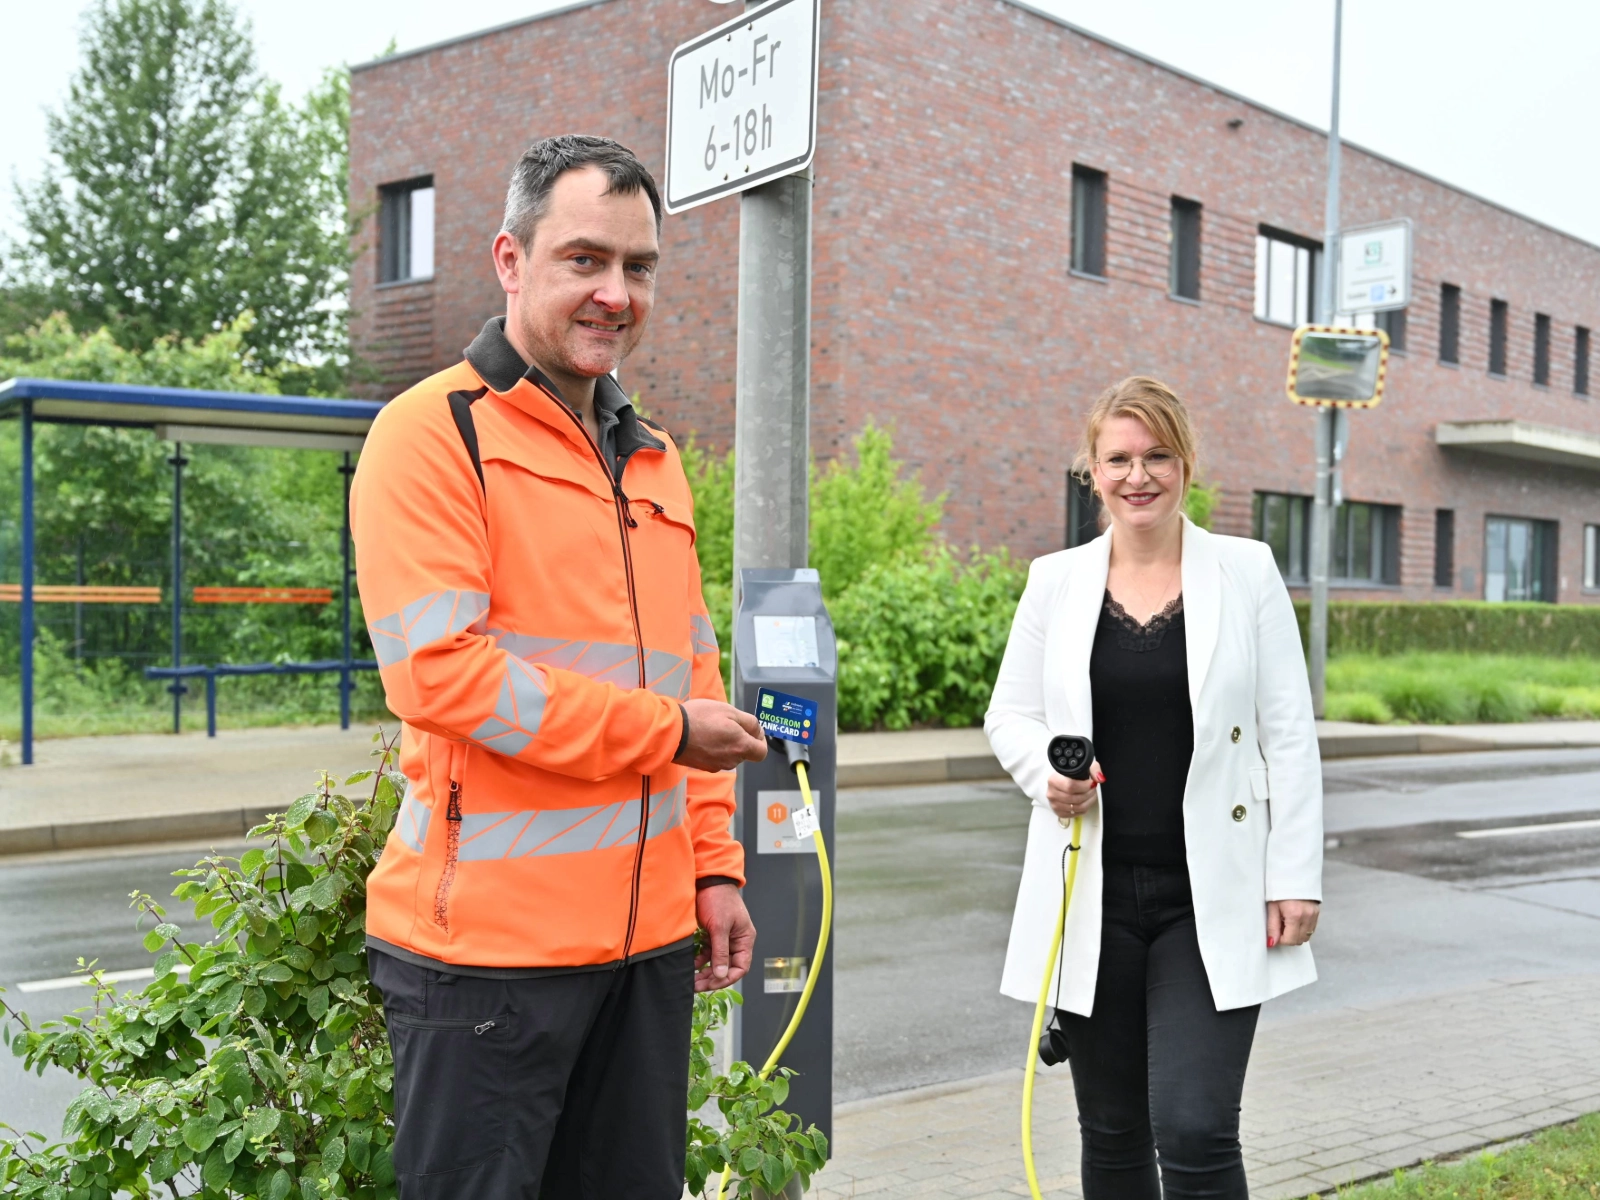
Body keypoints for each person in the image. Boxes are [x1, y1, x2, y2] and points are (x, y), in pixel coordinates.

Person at [351, 135, 768, 1200]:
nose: (615, 293)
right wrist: (665, 733)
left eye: (638, 267)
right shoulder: (431, 435)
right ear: (511, 261)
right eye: (584, 260)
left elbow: (695, 674)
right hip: (485, 961)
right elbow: (442, 676)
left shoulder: (655, 458)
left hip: (642, 953)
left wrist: (712, 866)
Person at [985, 377, 1323, 1200]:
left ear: (1186, 463)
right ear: (1092, 471)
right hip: (1090, 895)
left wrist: (1296, 877)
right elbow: (1010, 717)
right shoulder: (1054, 580)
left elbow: (1290, 731)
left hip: (1210, 896)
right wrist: (1049, 778)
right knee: (1110, 1134)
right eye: (1119, 459)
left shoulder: (1247, 572)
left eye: (1157, 457)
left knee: (1197, 1127)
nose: (1138, 477)